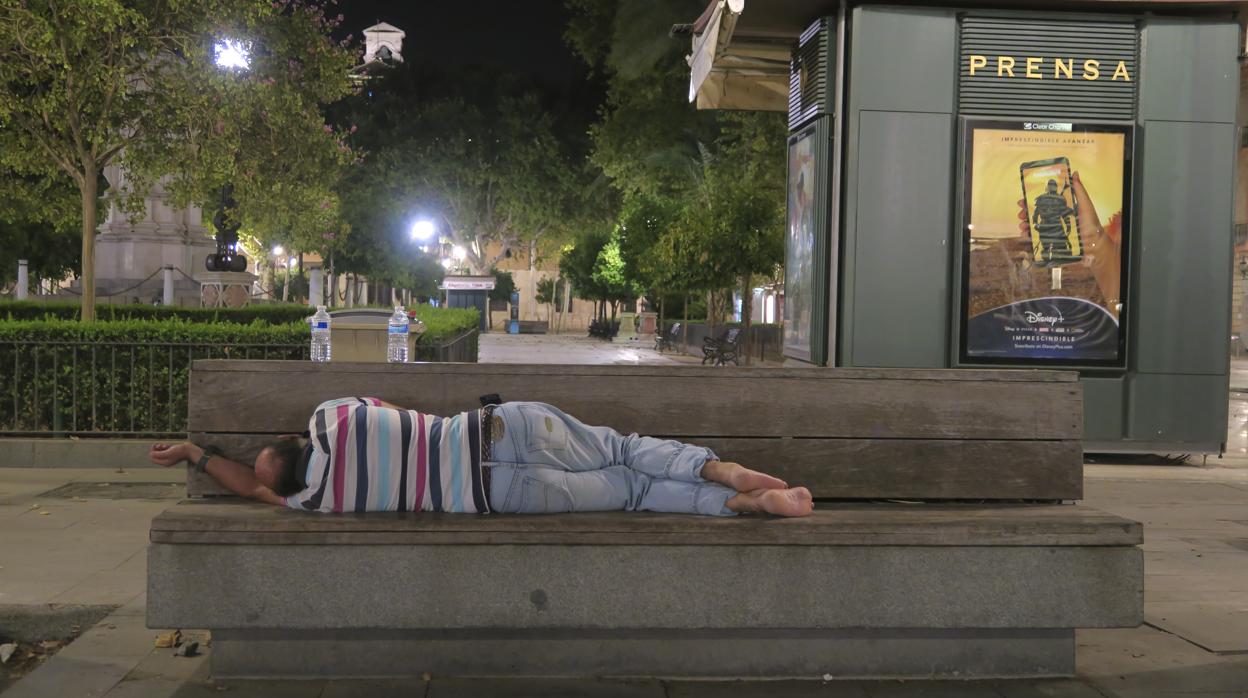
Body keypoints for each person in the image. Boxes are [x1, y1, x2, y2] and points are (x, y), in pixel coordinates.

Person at [148, 397, 814, 518]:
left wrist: (197, 454)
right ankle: (715, 467)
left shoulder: (312, 501)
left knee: (634, 494)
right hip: (499, 430)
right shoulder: (329, 415)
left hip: (500, 497)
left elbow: (247, 487)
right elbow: (388, 407)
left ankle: (741, 504)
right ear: (294, 440)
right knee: (624, 449)